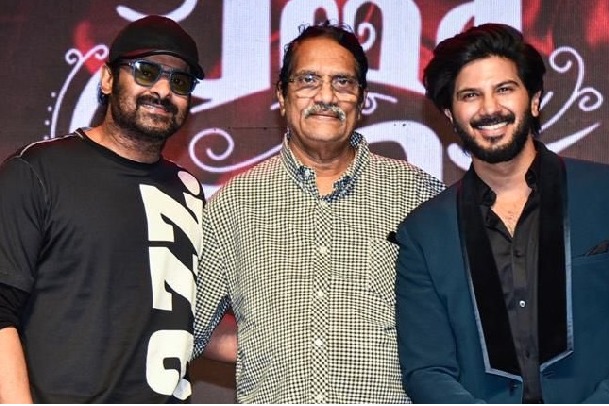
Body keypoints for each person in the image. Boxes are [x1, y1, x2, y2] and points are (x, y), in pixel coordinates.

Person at [191, 21, 444, 403]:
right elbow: (187, 329)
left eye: (343, 82)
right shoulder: (234, 204)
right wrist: (262, 346)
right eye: (308, 80)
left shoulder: (417, 195)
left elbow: (461, 320)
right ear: (282, 95)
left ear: (362, 99)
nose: (326, 96)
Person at [0, 15, 234, 403]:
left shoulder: (188, 190)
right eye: (146, 72)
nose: (163, 90)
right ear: (108, 79)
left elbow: (189, 323)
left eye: (179, 82)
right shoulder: (37, 172)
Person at [395, 23, 609, 403]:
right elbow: (427, 370)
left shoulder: (602, 193)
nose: (489, 108)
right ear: (450, 114)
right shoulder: (424, 232)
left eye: (504, 89)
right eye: (470, 95)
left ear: (535, 100)